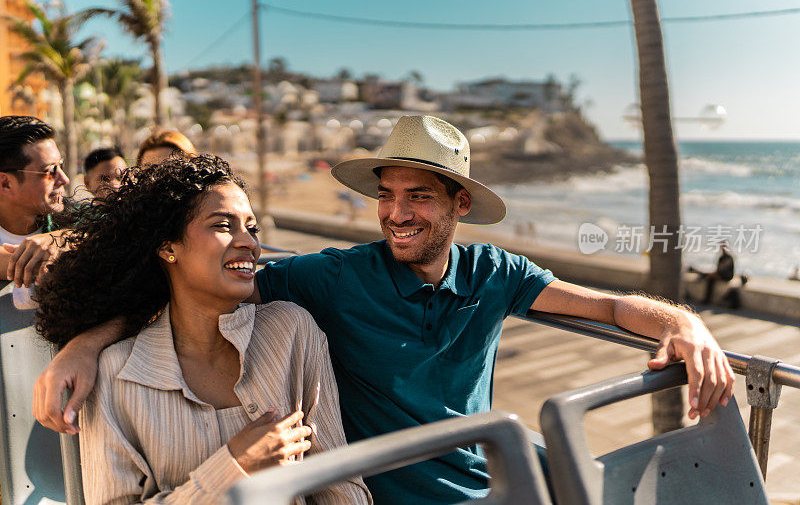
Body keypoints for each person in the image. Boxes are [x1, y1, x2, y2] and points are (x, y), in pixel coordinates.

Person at [35, 116, 733, 505]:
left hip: (497, 485)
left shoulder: (496, 271)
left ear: (460, 205)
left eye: (419, 197)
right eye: (387, 194)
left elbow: (607, 305)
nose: (396, 214)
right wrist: (87, 343)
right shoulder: (331, 280)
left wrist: (684, 323)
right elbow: (199, 285)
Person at [34, 155, 370, 503]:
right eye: (224, 226)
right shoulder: (116, 374)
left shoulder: (292, 331)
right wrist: (235, 466)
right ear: (167, 246)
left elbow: (341, 486)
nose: (250, 243)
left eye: (252, 228)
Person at [0, 116, 71, 304]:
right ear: (6, 183)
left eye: (61, 166)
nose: (64, 179)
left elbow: (124, 233)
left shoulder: (75, 219)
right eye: (51, 171)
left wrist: (67, 240)